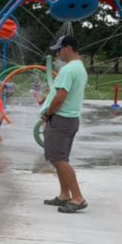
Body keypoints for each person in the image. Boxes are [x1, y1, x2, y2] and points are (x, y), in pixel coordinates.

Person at [41, 34, 88, 213]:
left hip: (60, 120)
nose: (58, 53)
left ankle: (77, 198)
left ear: (68, 48)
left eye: (59, 50)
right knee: (59, 158)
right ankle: (64, 194)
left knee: (59, 159)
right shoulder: (80, 68)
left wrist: (47, 114)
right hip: (71, 119)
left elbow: (60, 97)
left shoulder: (68, 70)